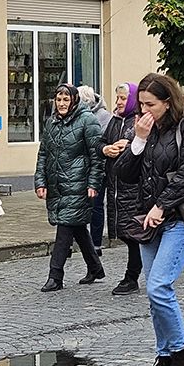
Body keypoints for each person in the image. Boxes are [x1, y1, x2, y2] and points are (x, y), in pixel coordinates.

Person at [112, 73, 184, 366]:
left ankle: (181, 353)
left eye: (150, 104)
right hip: (149, 220)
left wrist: (162, 205)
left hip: (178, 217)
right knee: (155, 295)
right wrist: (138, 141)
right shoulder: (143, 128)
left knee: (158, 286)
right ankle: (164, 356)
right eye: (141, 104)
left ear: (168, 102)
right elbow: (124, 173)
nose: (144, 110)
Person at [35, 84, 105, 292]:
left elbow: (97, 156)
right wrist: (40, 181)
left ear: (74, 100)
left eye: (66, 99)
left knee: (65, 227)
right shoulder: (52, 122)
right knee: (77, 226)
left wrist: (93, 183)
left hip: (79, 184)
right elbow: (43, 154)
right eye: (58, 99)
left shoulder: (88, 120)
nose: (62, 103)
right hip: (57, 184)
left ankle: (55, 275)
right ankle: (95, 267)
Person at [102, 83, 144, 296]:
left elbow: (146, 147)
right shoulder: (114, 120)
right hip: (115, 186)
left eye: (122, 98)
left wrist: (129, 146)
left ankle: (132, 276)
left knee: (134, 234)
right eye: (117, 98)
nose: (118, 102)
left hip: (133, 187)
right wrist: (105, 149)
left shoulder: (140, 121)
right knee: (124, 233)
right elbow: (100, 142)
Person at [77, 85, 113, 258]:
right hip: (79, 169)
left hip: (99, 168)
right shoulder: (76, 116)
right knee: (77, 205)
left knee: (96, 205)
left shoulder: (104, 117)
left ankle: (96, 243)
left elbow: (100, 143)